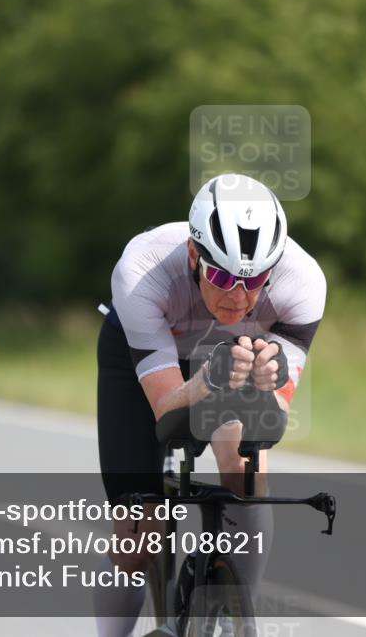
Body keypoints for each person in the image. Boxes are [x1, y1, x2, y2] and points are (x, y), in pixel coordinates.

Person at [94, 173, 327, 637]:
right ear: (193, 255)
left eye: (254, 280)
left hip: (234, 356)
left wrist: (268, 385)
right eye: (221, 276)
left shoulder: (303, 283)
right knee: (138, 534)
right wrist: (207, 379)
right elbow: (165, 410)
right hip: (147, 357)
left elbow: (272, 419)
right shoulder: (142, 270)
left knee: (247, 470)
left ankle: (241, 615)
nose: (237, 296)